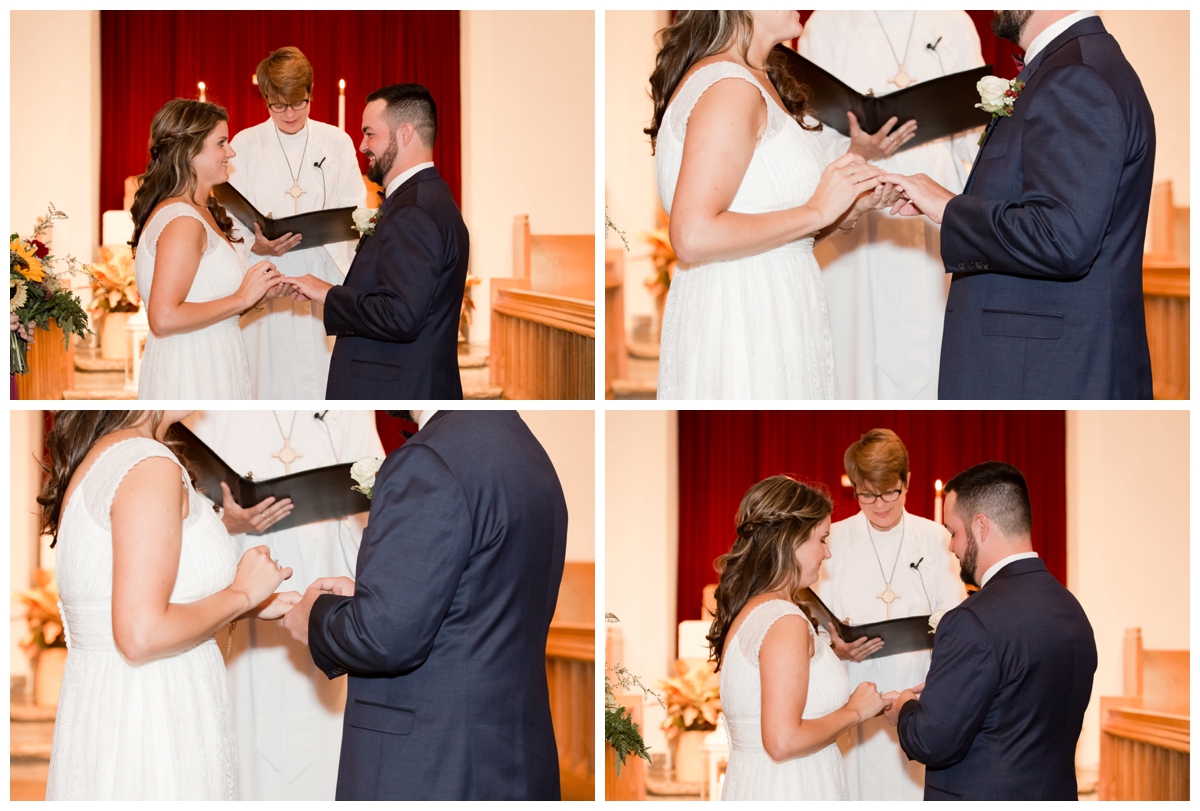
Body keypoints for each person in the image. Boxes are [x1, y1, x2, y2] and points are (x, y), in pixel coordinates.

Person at [280, 410, 567, 800]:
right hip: (515, 759)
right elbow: (480, 596)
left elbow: (383, 637)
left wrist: (312, 617)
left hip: (435, 766)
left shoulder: (430, 459)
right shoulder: (525, 448)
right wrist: (381, 592)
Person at [881, 11, 1155, 399]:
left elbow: (1062, 238)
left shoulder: (1076, 76)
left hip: (1050, 369)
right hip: (1044, 361)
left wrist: (951, 209)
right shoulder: (1074, 64)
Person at [39, 410, 298, 800]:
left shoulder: (108, 454)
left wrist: (251, 603)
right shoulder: (148, 465)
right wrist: (240, 593)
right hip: (153, 720)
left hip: (117, 709)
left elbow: (131, 594)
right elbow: (141, 634)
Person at [647, 11, 903, 399]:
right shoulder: (730, 87)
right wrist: (818, 210)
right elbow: (693, 235)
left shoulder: (754, 80)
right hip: (743, 319)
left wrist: (842, 210)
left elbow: (772, 238)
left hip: (776, 306)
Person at [187, 410, 383, 800]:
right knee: (243, 737)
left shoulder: (350, 412)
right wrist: (227, 523)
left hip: (325, 595)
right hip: (243, 598)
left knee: (330, 747)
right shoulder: (207, 416)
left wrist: (340, 514)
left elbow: (378, 498)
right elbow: (184, 519)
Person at [884, 462, 1097, 799]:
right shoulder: (1072, 610)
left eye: (953, 532)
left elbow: (932, 741)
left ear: (980, 526)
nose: (951, 547)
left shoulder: (971, 620)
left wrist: (905, 709)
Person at [799, 12, 983, 399]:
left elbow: (976, 133)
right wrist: (857, 148)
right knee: (858, 351)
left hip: (935, 211)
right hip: (860, 212)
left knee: (937, 343)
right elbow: (806, 138)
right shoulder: (827, 24)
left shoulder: (953, 21)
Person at [709, 475, 889, 801]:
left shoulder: (753, 609)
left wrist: (836, 653)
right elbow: (782, 741)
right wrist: (855, 711)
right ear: (790, 541)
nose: (827, 553)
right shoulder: (785, 621)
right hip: (791, 788)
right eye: (822, 539)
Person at [813, 429, 966, 800]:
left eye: (889, 493)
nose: (879, 505)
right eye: (866, 494)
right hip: (854, 693)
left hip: (918, 696)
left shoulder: (937, 539)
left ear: (907, 481)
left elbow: (956, 621)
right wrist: (836, 648)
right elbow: (815, 629)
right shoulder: (834, 540)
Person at [288, 84, 469, 399]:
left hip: (397, 392)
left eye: (370, 134)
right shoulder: (427, 199)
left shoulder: (414, 210)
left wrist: (328, 294)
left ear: (405, 133)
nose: (362, 145)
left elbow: (400, 315)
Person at [227, 47, 366, 400]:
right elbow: (228, 219)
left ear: (312, 91)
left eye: (299, 103)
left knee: (323, 384)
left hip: (321, 274)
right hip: (266, 277)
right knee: (265, 382)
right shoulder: (245, 143)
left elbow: (355, 211)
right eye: (278, 105)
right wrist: (254, 243)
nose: (289, 114)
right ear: (264, 98)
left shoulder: (336, 142)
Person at [130, 99, 290, 399]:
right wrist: (242, 297)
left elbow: (205, 301)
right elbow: (163, 319)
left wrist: (257, 295)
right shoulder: (182, 221)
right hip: (191, 371)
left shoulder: (202, 211)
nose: (231, 152)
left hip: (213, 359)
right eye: (221, 142)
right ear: (190, 151)